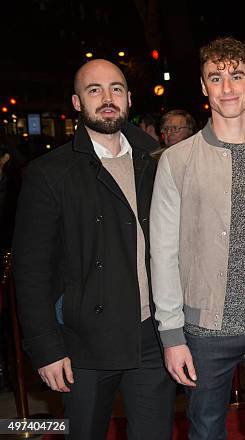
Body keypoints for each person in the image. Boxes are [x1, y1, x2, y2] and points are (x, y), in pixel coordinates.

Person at [150, 37, 245, 439]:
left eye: (236, 76)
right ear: (203, 86)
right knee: (205, 432)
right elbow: (162, 253)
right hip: (204, 333)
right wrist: (171, 335)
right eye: (215, 78)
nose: (227, 88)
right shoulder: (176, 161)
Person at [12, 59, 175, 439]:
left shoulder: (158, 163)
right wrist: (46, 348)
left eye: (116, 88)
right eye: (94, 90)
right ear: (76, 101)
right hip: (83, 345)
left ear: (129, 98)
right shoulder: (50, 173)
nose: (107, 98)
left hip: (152, 338)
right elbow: (32, 269)